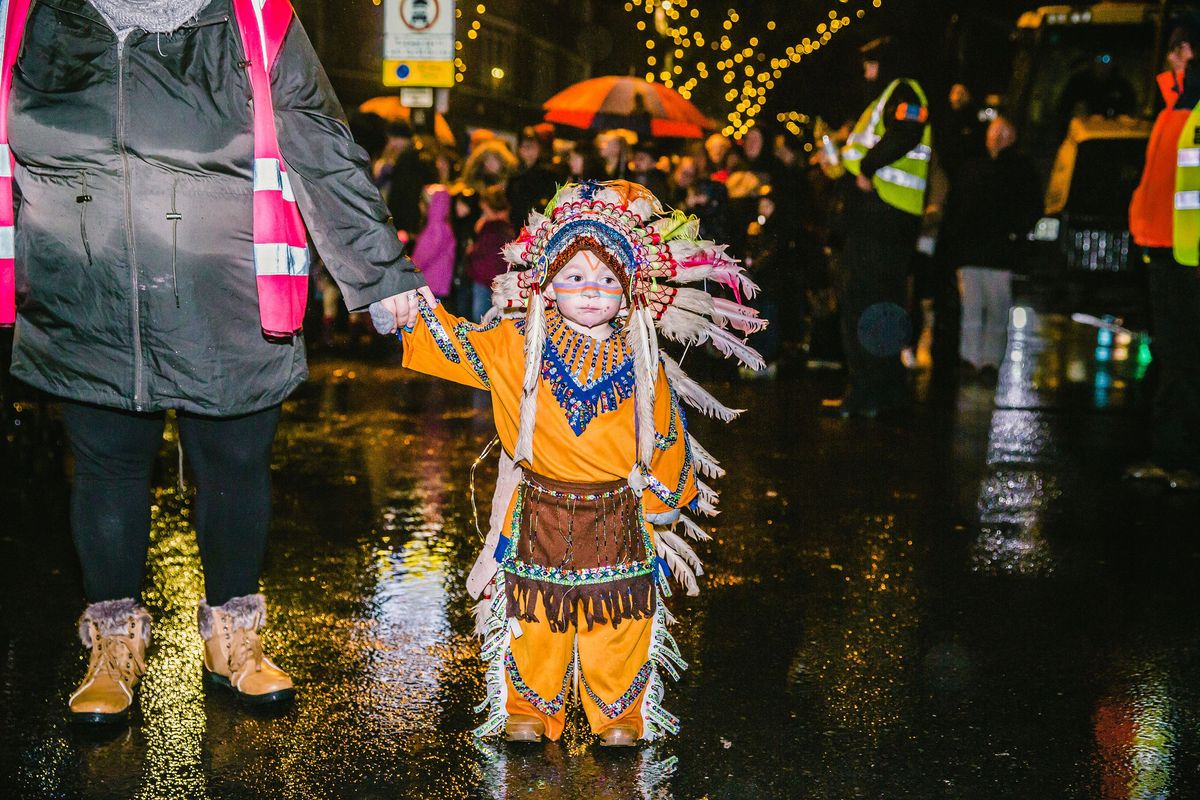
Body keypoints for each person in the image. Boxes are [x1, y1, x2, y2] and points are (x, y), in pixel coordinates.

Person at [0, 0, 425, 723]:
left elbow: (318, 139)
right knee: (105, 467)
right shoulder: (26, 17)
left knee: (232, 466)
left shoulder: (257, 20)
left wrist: (380, 273)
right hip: (84, 294)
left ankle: (235, 635)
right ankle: (112, 640)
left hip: (227, 298)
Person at [379, 180, 764, 746]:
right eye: (575, 276)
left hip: (618, 515)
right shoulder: (514, 342)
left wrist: (659, 505)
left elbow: (663, 436)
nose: (591, 291)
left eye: (608, 280)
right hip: (538, 509)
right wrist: (406, 306)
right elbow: (454, 343)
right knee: (534, 620)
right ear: (546, 282)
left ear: (631, 290)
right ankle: (530, 710)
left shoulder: (642, 357)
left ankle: (619, 716)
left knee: (620, 622)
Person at [830, 36, 932, 418]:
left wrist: (869, 168)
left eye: (871, 65)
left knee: (865, 304)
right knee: (880, 306)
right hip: (883, 221)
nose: (866, 73)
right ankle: (879, 391)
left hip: (883, 219)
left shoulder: (902, 91)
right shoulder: (886, 98)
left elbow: (907, 131)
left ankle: (869, 390)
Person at [1125, 21, 1200, 491]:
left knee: (1186, 361)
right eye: (1173, 49)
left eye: (1183, 50)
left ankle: (1184, 461)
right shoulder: (1173, 108)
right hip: (1166, 251)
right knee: (1173, 360)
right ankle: (1170, 457)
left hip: (1188, 255)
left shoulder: (1189, 110)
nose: (1174, 59)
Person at [940, 116, 1041, 380]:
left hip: (1000, 253)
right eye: (993, 133)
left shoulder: (1021, 170)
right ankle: (970, 358)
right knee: (971, 309)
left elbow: (1032, 208)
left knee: (996, 308)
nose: (996, 138)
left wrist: (1014, 234)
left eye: (1003, 133)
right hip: (972, 252)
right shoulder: (972, 167)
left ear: (1013, 137)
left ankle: (990, 362)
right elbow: (955, 205)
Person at [466, 186, 516, 322]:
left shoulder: (492, 228)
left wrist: (472, 253)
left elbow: (485, 254)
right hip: (497, 280)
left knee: (481, 319)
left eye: (484, 209)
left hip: (484, 279)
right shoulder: (507, 228)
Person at [384, 118, 437, 243]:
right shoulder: (422, 155)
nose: (392, 144)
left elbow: (403, 195)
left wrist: (396, 222)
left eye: (394, 139)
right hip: (416, 222)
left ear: (402, 138)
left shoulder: (408, 159)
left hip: (406, 224)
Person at [507, 124, 560, 228]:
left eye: (532, 147)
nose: (528, 151)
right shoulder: (514, 173)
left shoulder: (547, 173)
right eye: (525, 147)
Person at [411, 185, 458, 302]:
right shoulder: (444, 227)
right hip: (437, 282)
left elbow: (424, 255)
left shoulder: (436, 229)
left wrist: (410, 267)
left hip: (431, 283)